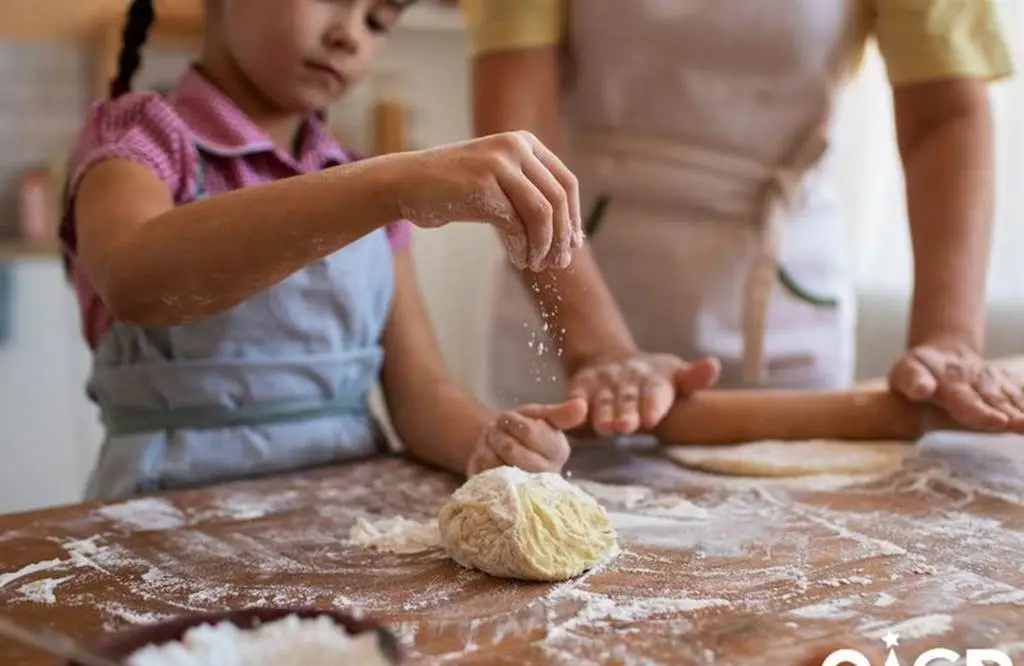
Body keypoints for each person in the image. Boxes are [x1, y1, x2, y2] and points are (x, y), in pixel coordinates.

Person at [59, 0, 588, 501]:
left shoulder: (358, 176)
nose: (348, 35)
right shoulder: (143, 138)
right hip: (160, 515)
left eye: (377, 20)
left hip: (346, 522)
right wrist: (389, 183)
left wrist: (489, 440)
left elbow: (422, 395)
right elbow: (137, 280)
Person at [464, 0, 1024, 438]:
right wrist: (597, 349)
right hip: (572, 275)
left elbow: (943, 117)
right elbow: (519, 133)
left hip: (783, 293)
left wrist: (949, 340)